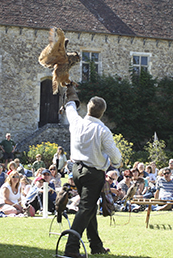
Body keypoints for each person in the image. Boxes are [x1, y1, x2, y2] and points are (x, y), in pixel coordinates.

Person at [63, 86, 121, 258]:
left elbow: (70, 108)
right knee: (86, 209)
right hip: (93, 173)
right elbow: (116, 157)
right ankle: (71, 248)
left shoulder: (77, 122)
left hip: (76, 170)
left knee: (89, 209)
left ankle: (96, 245)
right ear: (102, 113)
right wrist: (114, 163)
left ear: (88, 107)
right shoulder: (103, 130)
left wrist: (70, 92)